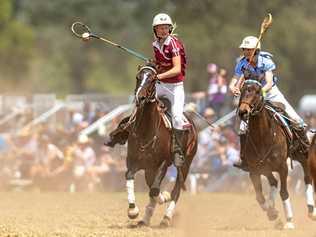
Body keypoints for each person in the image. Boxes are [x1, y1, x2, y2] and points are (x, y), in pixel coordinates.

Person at [105, 13, 188, 167]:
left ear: (169, 29)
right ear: (155, 30)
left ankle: (177, 151)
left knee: (176, 117)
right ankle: (120, 134)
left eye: (165, 28)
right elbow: (159, 62)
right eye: (159, 28)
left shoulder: (174, 44)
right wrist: (152, 64)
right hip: (160, 85)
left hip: (175, 88)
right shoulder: (155, 45)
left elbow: (176, 69)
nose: (163, 31)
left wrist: (159, 75)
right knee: (140, 102)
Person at [229, 35, 310, 171]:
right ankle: (244, 158)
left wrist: (260, 93)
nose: (246, 52)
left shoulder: (265, 61)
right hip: (252, 98)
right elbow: (234, 81)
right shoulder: (242, 63)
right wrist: (234, 88)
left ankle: (305, 149)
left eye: (248, 50)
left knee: (297, 121)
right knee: (242, 128)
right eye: (244, 49)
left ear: (256, 51)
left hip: (270, 94)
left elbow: (269, 82)